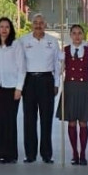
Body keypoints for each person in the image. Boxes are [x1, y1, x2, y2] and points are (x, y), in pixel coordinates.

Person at [20, 14, 60, 164]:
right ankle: (30, 154)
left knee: (46, 118)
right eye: (35, 22)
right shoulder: (23, 40)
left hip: (47, 80)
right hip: (29, 81)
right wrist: (19, 85)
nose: (38, 25)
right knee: (29, 119)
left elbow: (57, 64)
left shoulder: (52, 41)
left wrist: (56, 84)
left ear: (45, 25)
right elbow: (19, 63)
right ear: (31, 24)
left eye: (41, 23)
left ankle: (46, 154)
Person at [0, 17, 24, 165]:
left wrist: (19, 87)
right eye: (1, 26)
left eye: (7, 27)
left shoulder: (16, 45)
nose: (4, 29)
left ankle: (11, 155)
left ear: (10, 29)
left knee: (10, 121)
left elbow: (22, 67)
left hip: (12, 87)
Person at [57, 25, 88, 166]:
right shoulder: (65, 50)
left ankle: (83, 153)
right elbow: (59, 71)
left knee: (83, 122)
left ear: (83, 35)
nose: (77, 36)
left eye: (79, 33)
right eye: (74, 33)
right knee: (72, 121)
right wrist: (60, 61)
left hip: (84, 87)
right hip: (70, 88)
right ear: (70, 35)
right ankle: (74, 152)